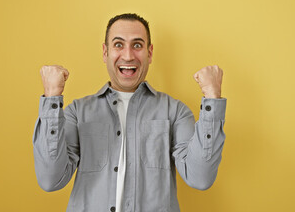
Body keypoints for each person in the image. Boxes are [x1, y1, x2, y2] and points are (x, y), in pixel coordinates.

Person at [33, 13, 227, 212]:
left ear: (149, 53)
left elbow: (200, 178)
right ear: (105, 52)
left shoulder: (175, 111)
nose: (127, 55)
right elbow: (50, 179)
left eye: (137, 45)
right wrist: (51, 97)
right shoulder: (77, 112)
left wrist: (212, 97)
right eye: (118, 44)